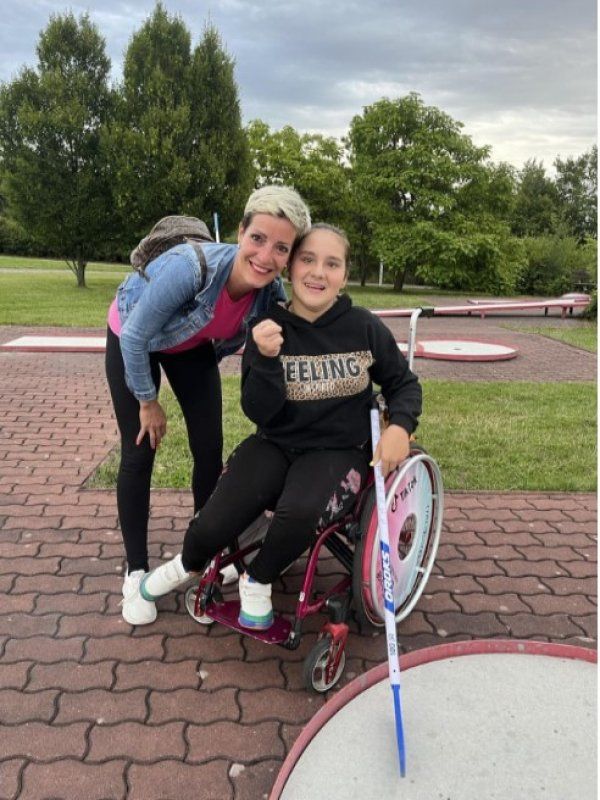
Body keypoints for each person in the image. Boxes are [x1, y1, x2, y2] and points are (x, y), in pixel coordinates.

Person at [135, 223, 422, 629]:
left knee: (300, 510)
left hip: (338, 450)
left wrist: (400, 427)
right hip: (275, 441)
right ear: (290, 268)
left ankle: (258, 578)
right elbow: (258, 410)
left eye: (332, 264)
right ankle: (186, 564)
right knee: (214, 520)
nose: (318, 272)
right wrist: (268, 360)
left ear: (344, 274)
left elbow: (403, 384)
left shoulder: (363, 327)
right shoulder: (267, 326)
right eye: (307, 260)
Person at [105, 186, 311, 625]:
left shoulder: (269, 294)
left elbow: (298, 330)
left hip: (190, 345)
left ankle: (205, 557)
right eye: (257, 238)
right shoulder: (190, 266)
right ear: (240, 232)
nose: (265, 256)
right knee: (140, 449)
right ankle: (135, 569)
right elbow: (137, 336)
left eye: (281, 248)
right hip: (133, 335)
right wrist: (148, 401)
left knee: (209, 448)